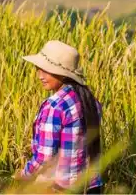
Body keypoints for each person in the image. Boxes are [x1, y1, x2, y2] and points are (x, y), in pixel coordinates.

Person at [20, 40, 103, 194]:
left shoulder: (55, 106)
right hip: (92, 186)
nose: (40, 76)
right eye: (38, 69)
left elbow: (44, 158)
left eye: (46, 70)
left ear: (63, 74)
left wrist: (24, 175)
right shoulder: (91, 101)